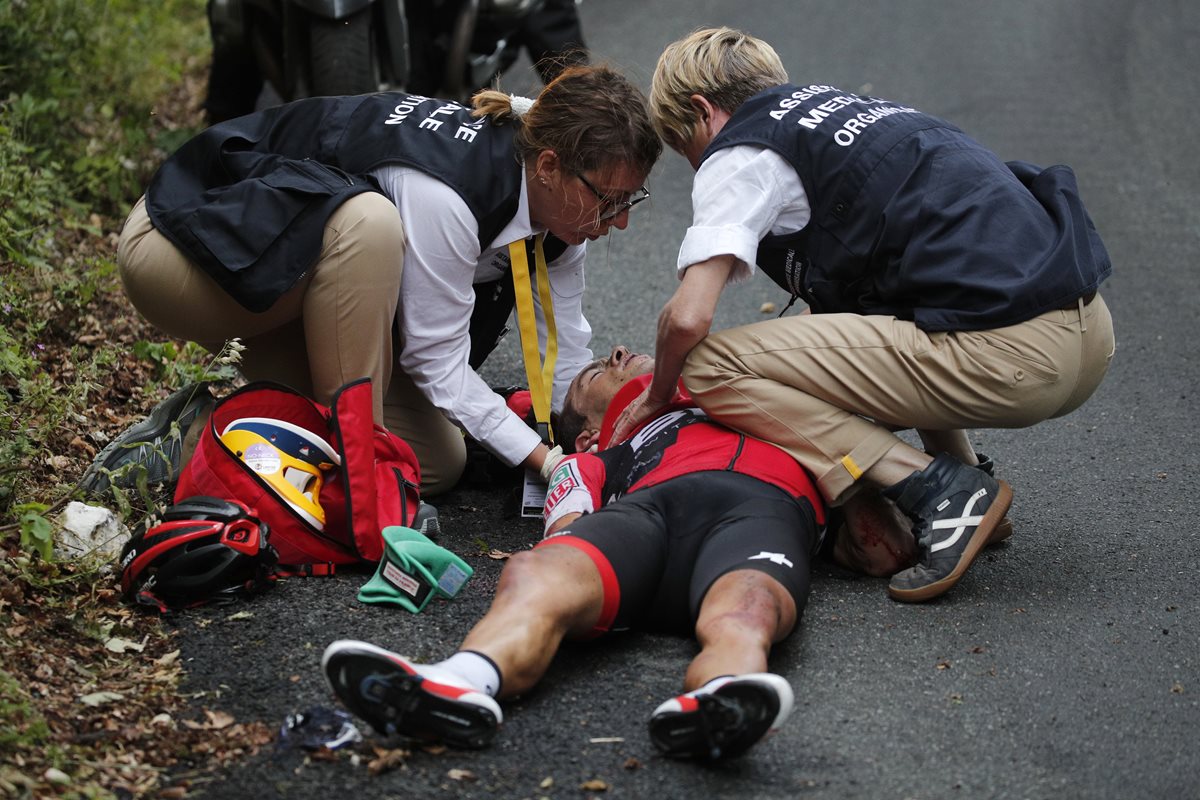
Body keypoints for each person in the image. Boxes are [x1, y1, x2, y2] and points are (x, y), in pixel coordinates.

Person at [610, 27, 1115, 603]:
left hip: (1015, 358)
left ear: (702, 112)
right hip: (1087, 336)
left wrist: (658, 394)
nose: (699, 166)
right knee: (888, 310)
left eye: (687, 149)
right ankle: (972, 494)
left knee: (710, 367)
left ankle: (939, 492)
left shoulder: (742, 150)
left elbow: (687, 320)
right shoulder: (857, 116)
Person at [84, 65, 661, 498]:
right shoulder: (451, 194)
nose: (622, 219)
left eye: (630, 198)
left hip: (291, 283)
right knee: (370, 225)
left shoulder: (562, 211)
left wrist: (595, 441)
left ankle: (195, 433)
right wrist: (544, 462)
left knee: (435, 462)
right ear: (550, 167)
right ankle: (350, 461)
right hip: (185, 248)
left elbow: (562, 350)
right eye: (610, 199)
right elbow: (437, 362)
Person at [322, 344, 829, 760]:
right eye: (594, 373)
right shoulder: (589, 461)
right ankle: (459, 681)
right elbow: (566, 530)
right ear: (587, 437)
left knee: (746, 607)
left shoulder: (734, 386)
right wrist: (564, 566)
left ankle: (721, 697)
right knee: (537, 570)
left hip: (762, 509)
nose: (619, 351)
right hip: (649, 515)